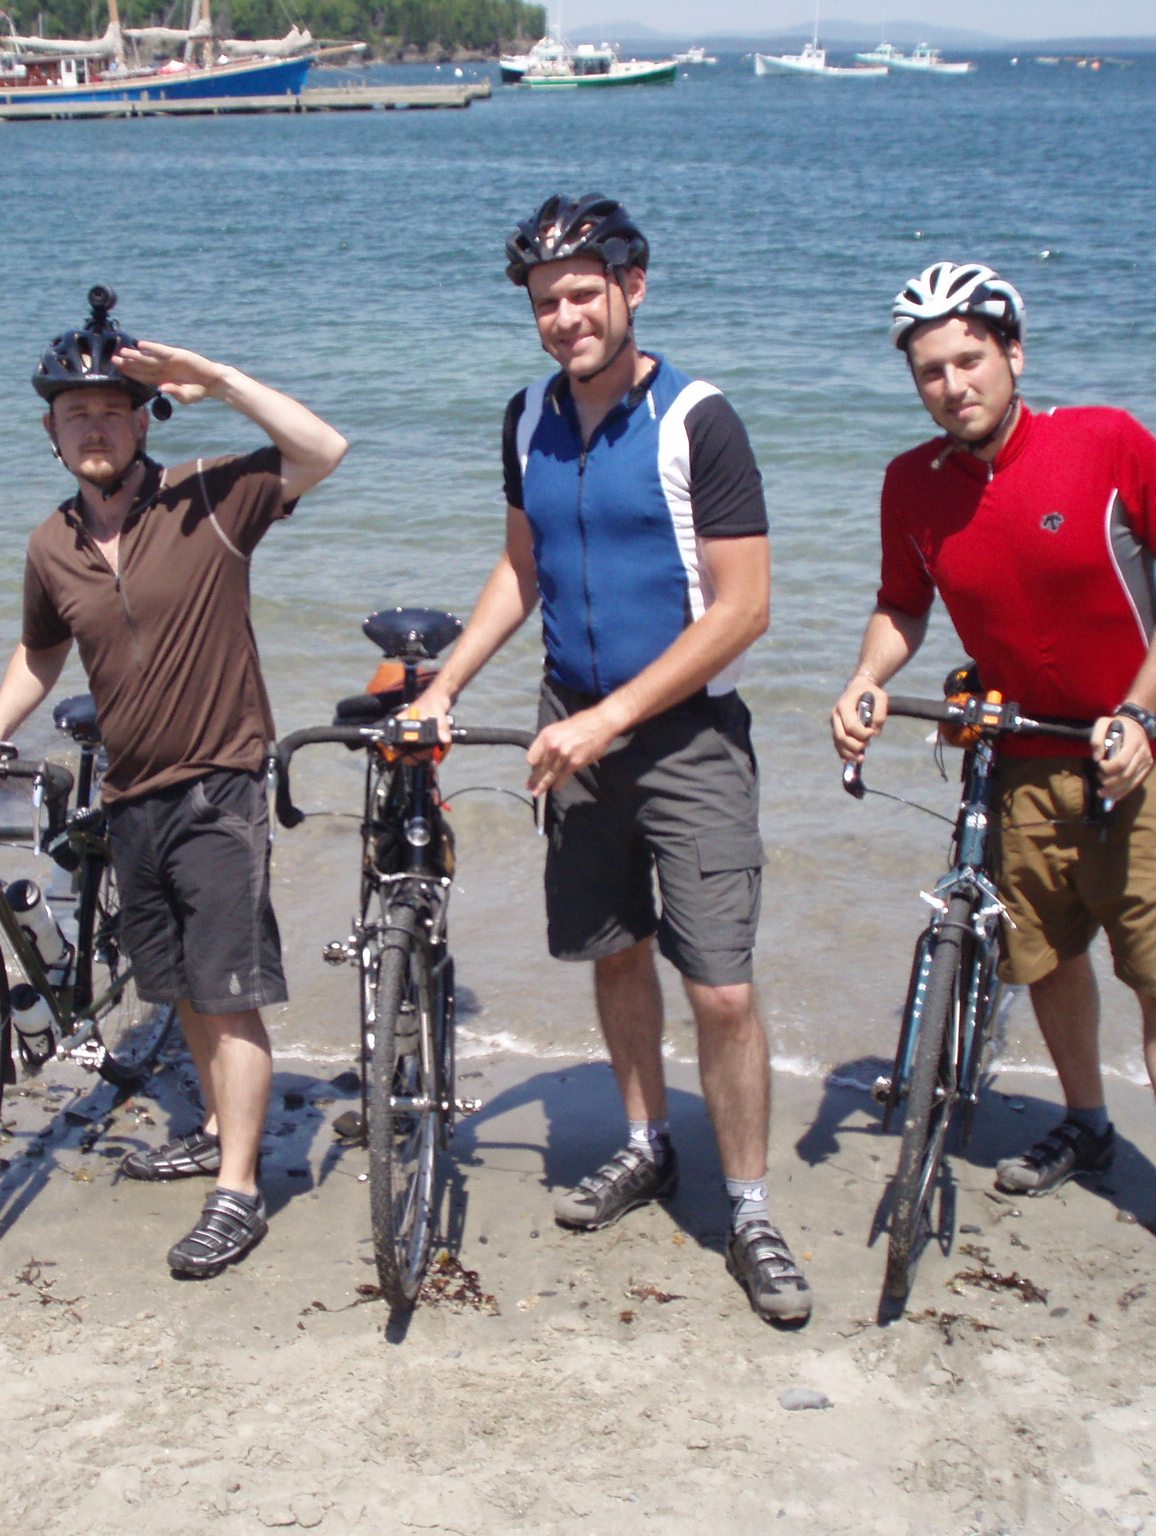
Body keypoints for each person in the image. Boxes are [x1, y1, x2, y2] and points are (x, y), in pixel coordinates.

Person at [828, 260, 1156, 1309]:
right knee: (1045, 956)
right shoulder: (912, 482)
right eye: (929, 371)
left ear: (1012, 355)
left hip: (1139, 757)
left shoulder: (1104, 442)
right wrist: (863, 678)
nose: (950, 385)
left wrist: (1141, 709)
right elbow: (902, 603)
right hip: (1015, 755)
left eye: (968, 360)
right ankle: (1085, 1120)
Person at [408, 195, 809, 1323]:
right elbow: (518, 572)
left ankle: (748, 1205)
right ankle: (644, 1144)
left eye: (585, 292)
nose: (565, 317)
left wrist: (610, 718)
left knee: (720, 987)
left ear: (634, 287)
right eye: (545, 302)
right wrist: (445, 687)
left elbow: (743, 611)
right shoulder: (526, 416)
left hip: (683, 739)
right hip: (568, 726)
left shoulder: (697, 420)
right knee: (614, 950)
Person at [0, 286, 347, 1278]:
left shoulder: (209, 496)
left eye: (110, 410)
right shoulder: (50, 544)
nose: (92, 427)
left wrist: (220, 381)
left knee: (227, 995)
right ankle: (221, 1131)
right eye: (73, 414)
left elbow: (323, 449)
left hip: (220, 777)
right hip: (132, 791)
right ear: (51, 434)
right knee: (179, 981)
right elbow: (38, 655)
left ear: (144, 420)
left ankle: (238, 1192)